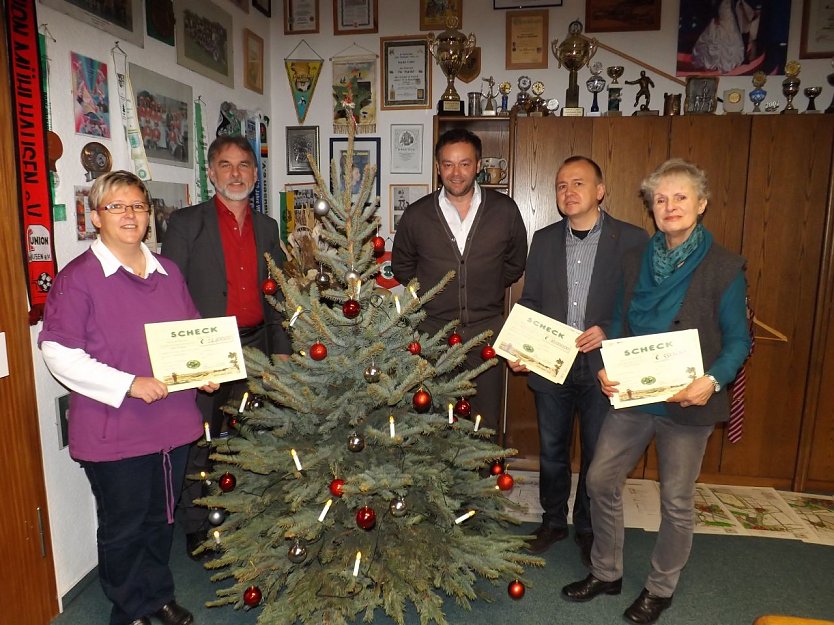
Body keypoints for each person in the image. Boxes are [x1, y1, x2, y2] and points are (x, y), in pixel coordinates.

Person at [561, 159, 751, 625]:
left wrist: (710, 381)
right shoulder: (636, 259)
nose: (670, 206)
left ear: (701, 204)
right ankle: (606, 572)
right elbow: (622, 322)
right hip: (635, 393)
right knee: (600, 479)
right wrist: (607, 367)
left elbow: (739, 340)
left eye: (680, 197)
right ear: (651, 208)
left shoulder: (725, 265)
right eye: (661, 199)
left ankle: (660, 588)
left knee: (676, 500)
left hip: (690, 400)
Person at [39, 171, 218, 625]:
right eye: (116, 206)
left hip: (172, 423)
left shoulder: (167, 271)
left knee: (161, 520)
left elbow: (190, 330)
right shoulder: (78, 278)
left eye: (138, 206)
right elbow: (58, 353)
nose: (130, 215)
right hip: (114, 427)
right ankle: (130, 608)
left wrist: (206, 371)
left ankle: (158, 596)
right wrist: (128, 383)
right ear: (96, 216)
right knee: (123, 527)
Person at [507, 156, 648, 564]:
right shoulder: (545, 239)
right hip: (551, 366)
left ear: (600, 191)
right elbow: (530, 301)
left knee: (597, 453)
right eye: (561, 185)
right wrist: (520, 349)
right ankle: (552, 521)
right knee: (552, 450)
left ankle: (587, 527)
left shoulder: (632, 239)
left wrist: (609, 328)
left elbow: (639, 304)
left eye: (578, 183)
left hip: (604, 368)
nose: (568, 192)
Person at [160, 135, 291, 558]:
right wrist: (190, 357)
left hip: (255, 345)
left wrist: (283, 349)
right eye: (226, 165)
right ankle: (197, 527)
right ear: (212, 172)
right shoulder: (185, 223)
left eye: (244, 166)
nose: (236, 173)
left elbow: (278, 295)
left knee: (249, 436)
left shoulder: (268, 227)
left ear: (255, 174)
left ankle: (242, 515)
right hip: (207, 347)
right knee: (201, 440)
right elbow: (171, 292)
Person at [391, 128, 527, 430]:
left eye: (465, 163)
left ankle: (484, 477)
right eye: (448, 164)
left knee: (485, 421)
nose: (456, 173)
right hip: (432, 335)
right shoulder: (416, 214)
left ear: (478, 165)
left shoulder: (505, 211)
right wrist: (435, 293)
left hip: (486, 335)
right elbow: (402, 267)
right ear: (438, 167)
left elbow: (515, 264)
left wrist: (484, 285)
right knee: (434, 419)